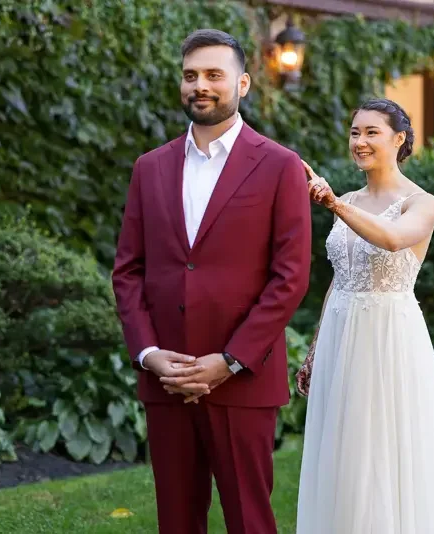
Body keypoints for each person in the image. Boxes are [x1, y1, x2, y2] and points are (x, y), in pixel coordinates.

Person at [111, 28, 312, 534]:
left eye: (213, 75)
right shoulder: (149, 168)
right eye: (190, 75)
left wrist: (229, 360)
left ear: (242, 84)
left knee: (250, 520)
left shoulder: (281, 166)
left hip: (241, 380)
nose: (200, 85)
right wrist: (149, 354)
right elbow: (128, 272)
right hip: (168, 378)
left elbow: (289, 279)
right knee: (176, 521)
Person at [295, 98, 434, 533]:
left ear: (399, 139)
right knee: (342, 451)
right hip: (340, 336)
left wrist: (334, 206)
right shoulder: (347, 197)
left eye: (371, 132)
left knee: (380, 450)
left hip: (388, 337)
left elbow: (393, 240)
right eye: (354, 132)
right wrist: (314, 347)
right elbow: (340, 277)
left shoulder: (422, 202)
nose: (359, 141)